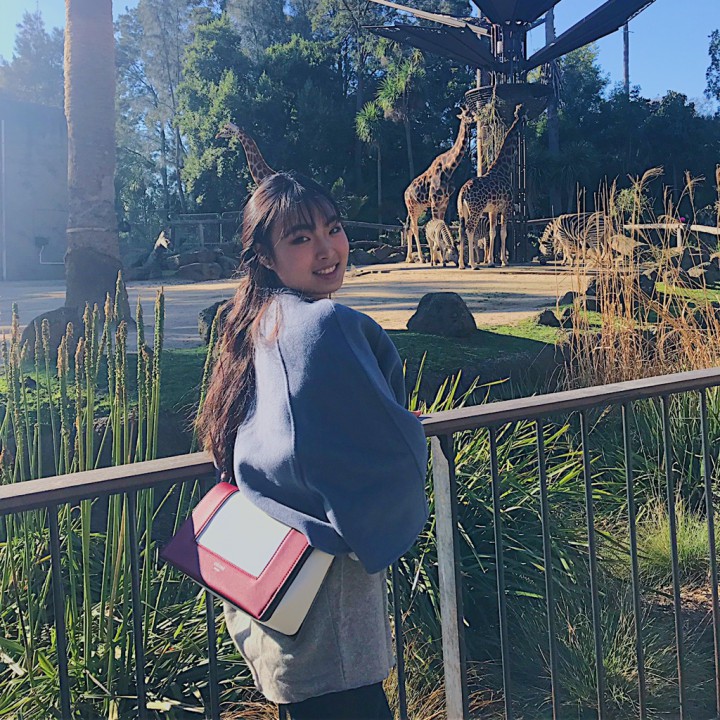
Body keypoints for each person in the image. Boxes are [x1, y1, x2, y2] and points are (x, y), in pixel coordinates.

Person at [197, 171, 429, 720]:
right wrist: (411, 436)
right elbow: (388, 446)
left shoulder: (253, 322)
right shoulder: (326, 323)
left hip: (273, 592)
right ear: (266, 257)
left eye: (334, 228)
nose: (327, 250)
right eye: (301, 238)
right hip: (330, 606)